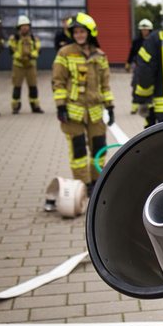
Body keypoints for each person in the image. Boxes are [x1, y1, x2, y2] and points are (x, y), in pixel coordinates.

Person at [51, 13, 115, 197]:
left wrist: (110, 107)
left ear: (90, 32)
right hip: (73, 113)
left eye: (82, 31)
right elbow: (58, 82)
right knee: (78, 151)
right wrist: (61, 106)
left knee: (99, 149)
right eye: (76, 32)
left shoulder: (100, 55)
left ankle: (97, 182)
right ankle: (83, 184)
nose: (79, 35)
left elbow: (105, 84)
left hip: (95, 112)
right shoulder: (65, 53)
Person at [8, 15, 44, 114]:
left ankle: (35, 107)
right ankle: (16, 107)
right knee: (17, 86)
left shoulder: (33, 38)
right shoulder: (14, 38)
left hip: (31, 66)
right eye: (23, 26)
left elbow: (38, 48)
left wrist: (32, 56)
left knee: (33, 86)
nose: (25, 28)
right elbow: (12, 50)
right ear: (19, 27)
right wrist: (20, 57)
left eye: (27, 25)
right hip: (18, 66)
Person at [125, 18, 153, 115]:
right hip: (139, 66)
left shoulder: (153, 41)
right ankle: (134, 106)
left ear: (150, 30)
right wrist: (128, 62)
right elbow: (132, 52)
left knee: (150, 85)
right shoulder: (137, 41)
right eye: (142, 30)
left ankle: (149, 105)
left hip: (151, 66)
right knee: (135, 85)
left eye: (146, 30)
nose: (144, 32)